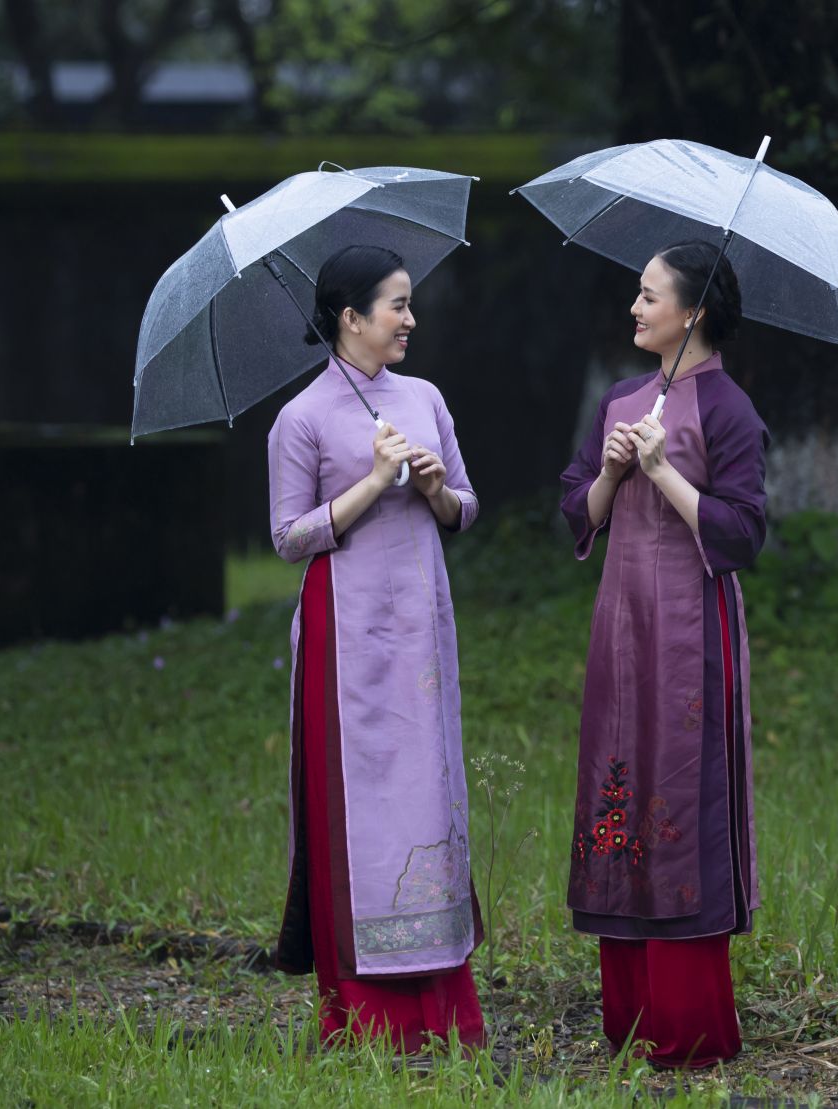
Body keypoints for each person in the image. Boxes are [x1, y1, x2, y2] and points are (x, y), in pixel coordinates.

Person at [267, 244, 484, 1053]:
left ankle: (441, 1009)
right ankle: (364, 1016)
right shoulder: (303, 417)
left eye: (409, 303)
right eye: (396, 304)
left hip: (421, 629)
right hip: (345, 634)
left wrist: (431, 486)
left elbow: (465, 506)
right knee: (358, 807)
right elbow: (288, 537)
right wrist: (368, 483)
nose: (410, 319)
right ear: (350, 317)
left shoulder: (424, 396)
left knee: (423, 796)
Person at [559, 239, 769, 1068]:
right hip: (622, 627)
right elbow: (575, 507)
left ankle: (689, 1022)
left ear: (694, 312)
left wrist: (667, 474)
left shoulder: (729, 411)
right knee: (621, 784)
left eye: (650, 296)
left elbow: (745, 529)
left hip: (692, 630)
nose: (636, 308)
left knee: (682, 795)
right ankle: (629, 1012)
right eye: (637, 295)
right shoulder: (620, 399)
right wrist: (613, 473)